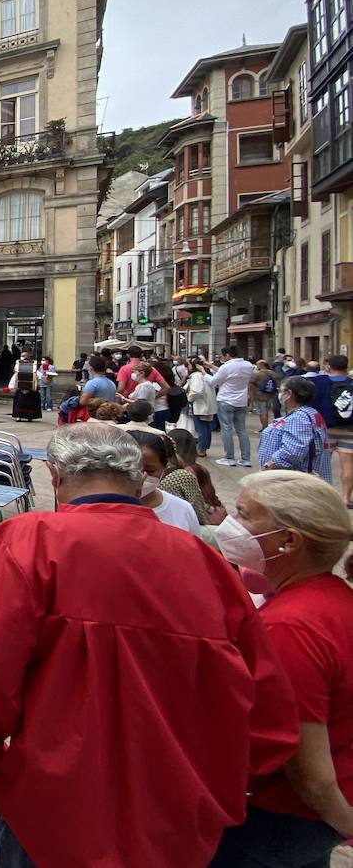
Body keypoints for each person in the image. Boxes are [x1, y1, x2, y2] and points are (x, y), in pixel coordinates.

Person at [0, 423, 300, 868]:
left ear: (54, 477)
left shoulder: (28, 543)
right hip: (175, 817)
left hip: (52, 810)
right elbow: (269, 715)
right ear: (138, 482)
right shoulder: (205, 563)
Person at [208, 471, 353, 866]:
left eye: (244, 514)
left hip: (277, 821)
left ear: (288, 540)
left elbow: (308, 769)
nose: (230, 525)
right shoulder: (331, 596)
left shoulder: (290, 627)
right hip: (302, 821)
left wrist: (345, 823)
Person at [258, 376, 332, 482]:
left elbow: (293, 451)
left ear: (288, 394)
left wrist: (270, 465)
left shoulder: (299, 418)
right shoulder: (308, 413)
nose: (279, 394)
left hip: (289, 481)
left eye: (281, 391)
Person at [130, 430, 202, 536]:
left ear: (164, 468)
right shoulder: (104, 508)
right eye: (132, 470)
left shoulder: (182, 509)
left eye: (149, 471)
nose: (142, 477)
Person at [311, 354, 353, 507]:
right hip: (349, 430)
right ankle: (345, 498)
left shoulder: (319, 383)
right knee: (348, 465)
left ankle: (320, 497)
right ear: (346, 367)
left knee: (321, 463)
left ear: (329, 366)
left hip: (325, 429)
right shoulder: (351, 383)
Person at [166, 429, 224, 531]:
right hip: (215, 513)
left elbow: (194, 505)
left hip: (203, 519)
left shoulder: (183, 473)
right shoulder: (199, 468)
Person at [209, 346, 256, 467]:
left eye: (223, 356)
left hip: (226, 399)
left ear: (227, 355)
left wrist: (205, 373)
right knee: (241, 429)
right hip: (241, 400)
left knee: (226, 429)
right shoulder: (248, 365)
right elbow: (229, 374)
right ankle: (246, 459)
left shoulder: (226, 366)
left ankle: (229, 457)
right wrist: (212, 367)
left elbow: (214, 381)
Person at [186, 356, 220, 455]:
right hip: (208, 405)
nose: (187, 367)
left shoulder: (196, 376)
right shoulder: (206, 375)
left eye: (188, 364)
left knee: (201, 429)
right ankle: (203, 448)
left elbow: (196, 391)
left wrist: (189, 398)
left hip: (201, 405)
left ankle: (201, 449)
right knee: (206, 428)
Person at [11, 352, 42, 422]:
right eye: (21, 356)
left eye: (24, 356)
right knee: (20, 402)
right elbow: (16, 374)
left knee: (30, 403)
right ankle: (18, 416)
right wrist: (13, 385)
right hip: (21, 386)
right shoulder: (18, 365)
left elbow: (37, 374)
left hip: (30, 387)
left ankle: (30, 416)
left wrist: (37, 379)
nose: (22, 357)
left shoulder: (33, 365)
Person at [250, 359, 279, 429]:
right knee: (266, 412)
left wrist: (251, 396)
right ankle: (266, 426)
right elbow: (278, 382)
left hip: (259, 395)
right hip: (271, 395)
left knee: (262, 412)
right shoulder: (273, 373)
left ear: (262, 365)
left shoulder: (257, 374)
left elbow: (251, 384)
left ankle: (264, 427)